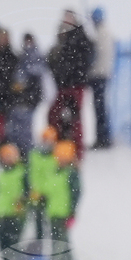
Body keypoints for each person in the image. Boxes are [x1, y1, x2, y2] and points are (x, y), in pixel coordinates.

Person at [47, 11, 93, 158]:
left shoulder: (79, 36)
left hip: (76, 84)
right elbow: (56, 60)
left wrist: (76, 73)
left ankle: (78, 150)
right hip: (62, 85)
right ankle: (59, 145)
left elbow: (85, 58)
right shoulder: (61, 36)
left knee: (75, 117)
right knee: (55, 114)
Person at [46, 141, 81, 260]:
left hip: (63, 214)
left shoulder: (71, 173)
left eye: (62, 157)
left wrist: (72, 212)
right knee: (56, 242)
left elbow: (76, 194)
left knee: (62, 243)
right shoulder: (55, 172)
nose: (59, 159)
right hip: (53, 213)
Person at [9, 33, 47, 156]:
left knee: (26, 131)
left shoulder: (35, 59)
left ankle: (26, 154)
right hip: (21, 100)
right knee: (16, 130)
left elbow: (38, 81)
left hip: (29, 101)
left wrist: (31, 97)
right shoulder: (22, 59)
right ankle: (20, 154)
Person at [0, 142, 27, 260]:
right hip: (1, 212)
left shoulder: (22, 172)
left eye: (10, 157)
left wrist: (22, 202)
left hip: (16, 212)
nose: (7, 160)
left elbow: (27, 190)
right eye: (5, 157)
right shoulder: (1, 173)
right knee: (1, 239)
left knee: (15, 239)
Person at [88, 8, 114, 148]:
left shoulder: (101, 33)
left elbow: (97, 54)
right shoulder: (104, 33)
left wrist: (88, 68)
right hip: (102, 74)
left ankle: (103, 138)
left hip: (98, 75)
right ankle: (103, 137)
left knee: (99, 108)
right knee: (101, 107)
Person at [27, 126, 58, 240]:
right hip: (36, 194)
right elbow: (29, 173)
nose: (47, 143)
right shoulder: (34, 155)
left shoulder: (57, 156)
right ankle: (39, 247)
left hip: (51, 196)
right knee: (38, 224)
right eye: (45, 139)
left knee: (54, 226)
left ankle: (54, 250)